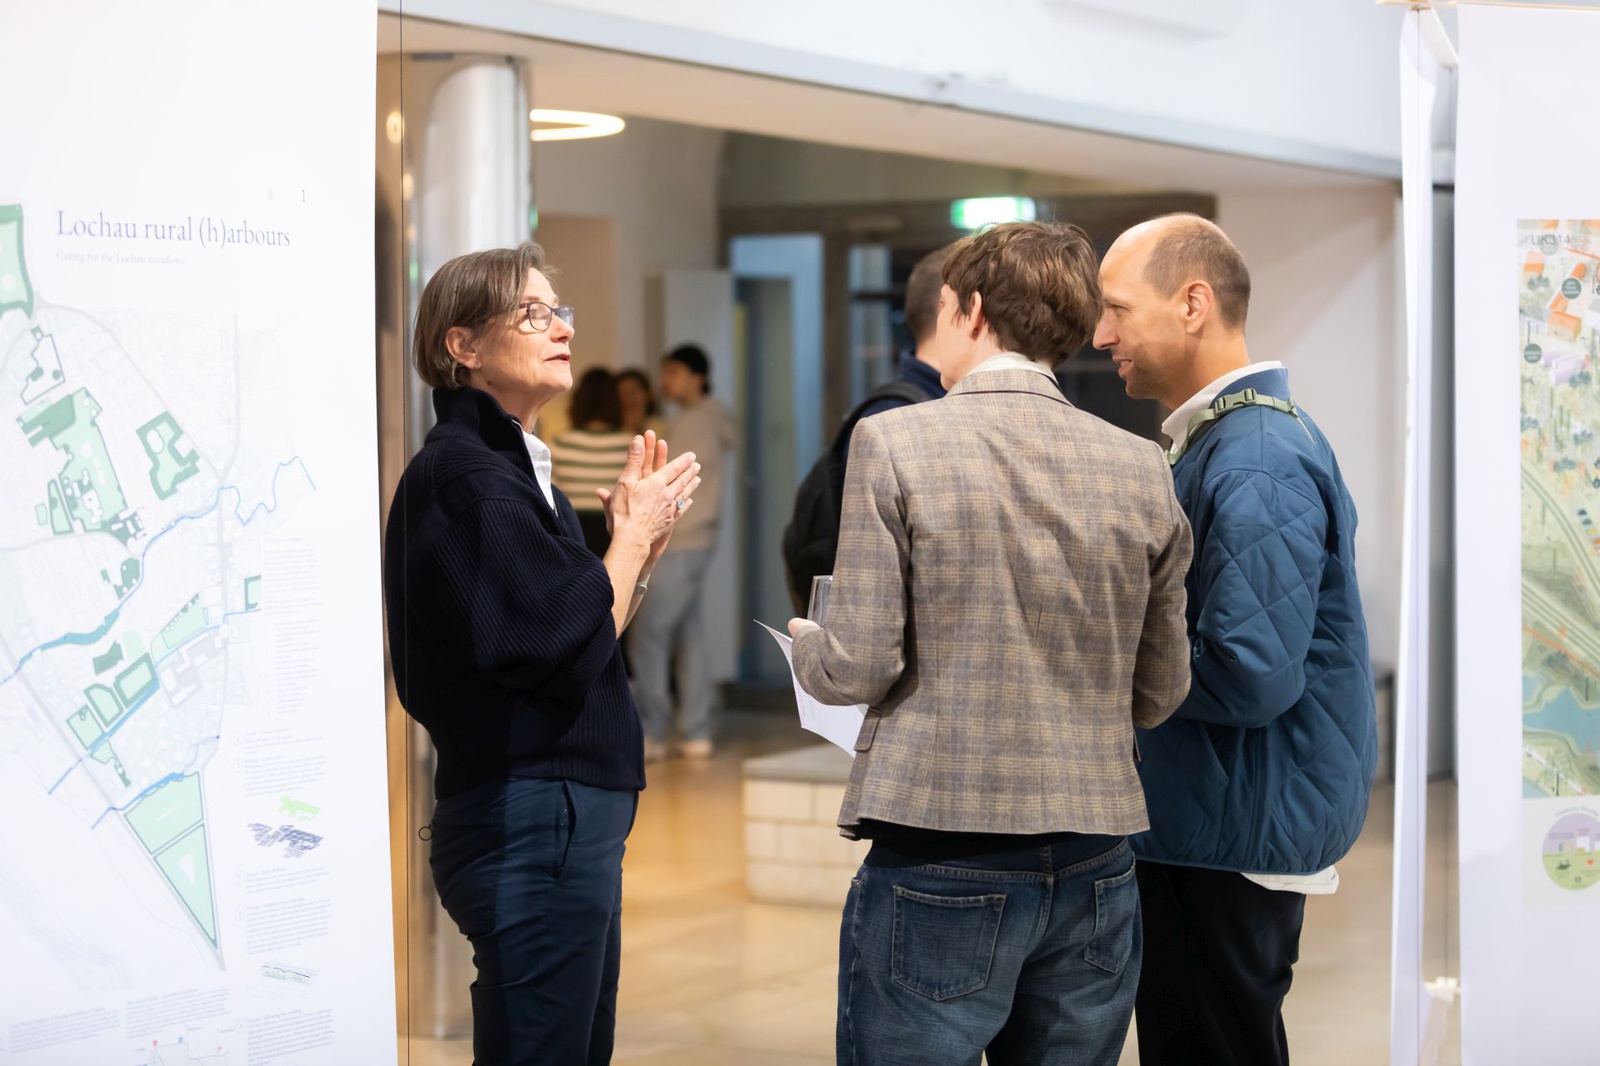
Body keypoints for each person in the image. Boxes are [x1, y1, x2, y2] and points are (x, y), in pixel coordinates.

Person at [787, 221, 1194, 1066]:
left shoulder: (895, 442)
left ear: (970, 309)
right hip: (1097, 856)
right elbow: (1160, 693)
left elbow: (860, 661)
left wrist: (807, 647)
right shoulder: (1141, 465)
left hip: (941, 845)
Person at [382, 242, 702, 1065]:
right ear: (463, 345)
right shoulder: (471, 480)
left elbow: (582, 640)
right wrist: (624, 541)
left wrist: (640, 551)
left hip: (553, 812)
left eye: (560, 311)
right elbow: (548, 644)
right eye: (532, 314)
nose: (561, 329)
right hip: (528, 810)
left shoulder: (515, 474)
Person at [1094, 214, 1377, 1066]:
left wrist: (1100, 664)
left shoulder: (1255, 456)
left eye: (1116, 309)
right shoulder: (1236, 439)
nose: (1102, 335)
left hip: (1230, 830)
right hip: (1220, 817)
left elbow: (1251, 672)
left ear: (1193, 304)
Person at [628, 344, 738, 760]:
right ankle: (695, 731)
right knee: (688, 635)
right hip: (694, 539)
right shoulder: (703, 417)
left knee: (649, 634)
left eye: (673, 372)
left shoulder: (697, 421)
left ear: (698, 377)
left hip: (681, 539)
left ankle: (652, 732)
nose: (665, 381)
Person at [551, 367, 635, 558]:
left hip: (572, 531)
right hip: (615, 531)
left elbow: (552, 496)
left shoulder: (560, 443)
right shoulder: (631, 444)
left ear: (578, 402)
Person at [616, 367, 665, 438]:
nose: (628, 398)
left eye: (632, 391)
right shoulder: (612, 432)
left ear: (647, 394)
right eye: (622, 393)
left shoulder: (662, 427)